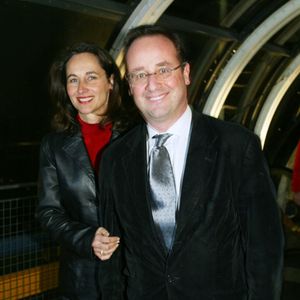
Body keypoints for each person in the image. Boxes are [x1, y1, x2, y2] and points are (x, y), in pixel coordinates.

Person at [94, 25, 284, 300]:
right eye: (139, 74)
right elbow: (112, 252)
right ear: (130, 85)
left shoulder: (236, 146)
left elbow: (264, 247)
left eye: (163, 69)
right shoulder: (114, 158)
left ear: (185, 73)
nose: (152, 83)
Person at [36, 42, 124, 299]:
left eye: (91, 77)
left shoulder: (137, 135)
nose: (81, 88)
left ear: (110, 81)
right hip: (81, 280)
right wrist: (86, 238)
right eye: (73, 80)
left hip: (134, 274)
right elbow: (48, 212)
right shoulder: (53, 145)